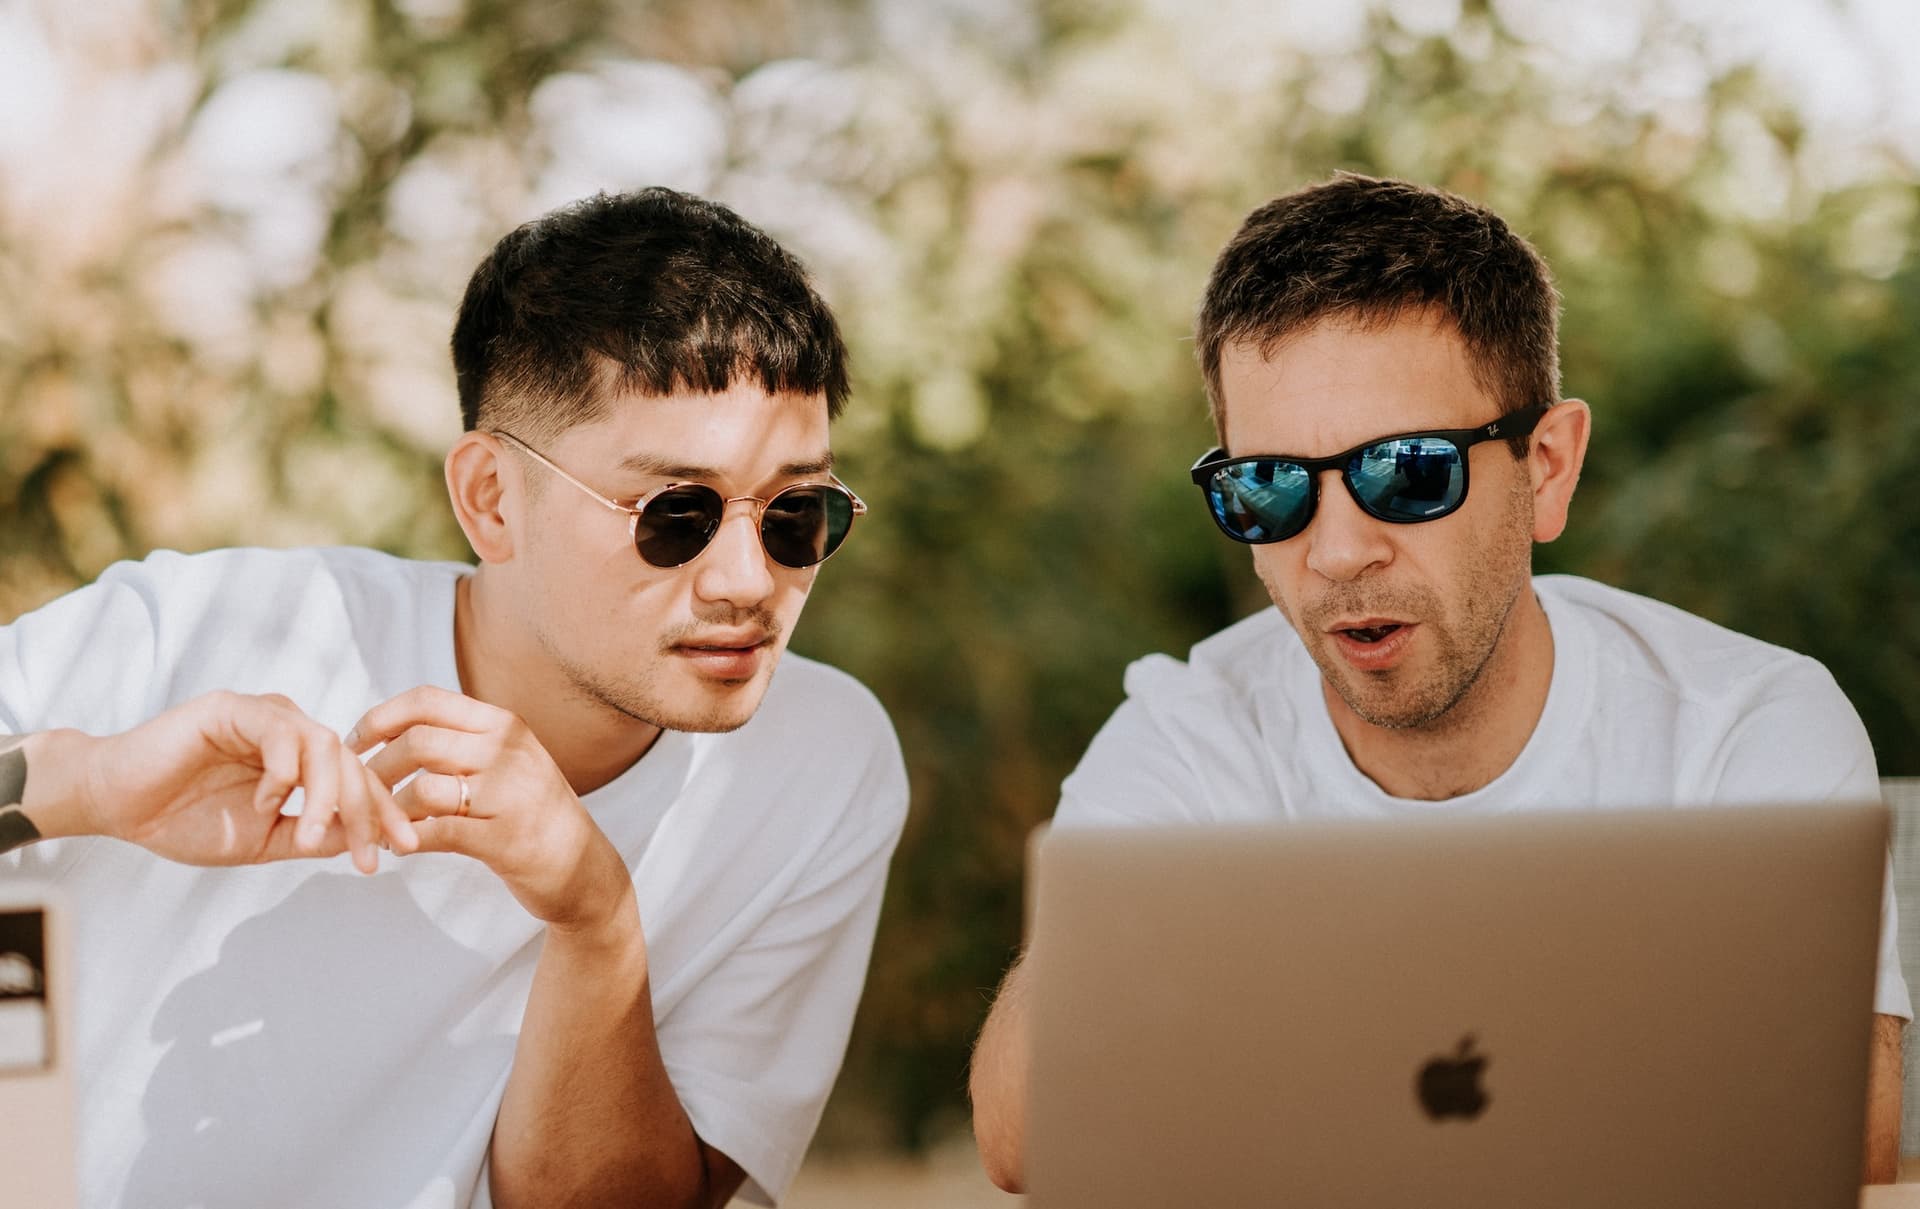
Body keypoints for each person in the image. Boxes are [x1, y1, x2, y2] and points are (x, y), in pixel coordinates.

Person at [967, 173, 1910, 1190]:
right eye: (1270, 485)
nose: (1335, 553)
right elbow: (1028, 1132)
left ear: (1545, 468)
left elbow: (1841, 1121)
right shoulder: (1196, 726)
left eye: (1406, 472)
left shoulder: (1741, 721)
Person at [0, 187, 908, 1209]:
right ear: (489, 498)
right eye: (677, 513)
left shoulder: (823, 764)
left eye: (798, 513)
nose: (748, 581)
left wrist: (595, 917)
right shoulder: (206, 628)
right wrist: (83, 784)